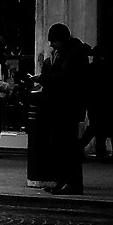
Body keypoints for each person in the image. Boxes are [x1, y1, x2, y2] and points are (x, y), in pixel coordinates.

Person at [32, 24, 92, 194]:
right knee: (60, 145)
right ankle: (63, 180)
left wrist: (43, 77)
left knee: (68, 146)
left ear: (61, 39)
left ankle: (71, 182)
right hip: (62, 106)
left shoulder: (73, 54)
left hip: (67, 106)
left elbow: (65, 79)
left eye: (53, 41)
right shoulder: (67, 53)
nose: (51, 45)